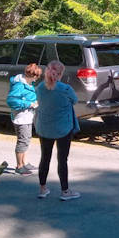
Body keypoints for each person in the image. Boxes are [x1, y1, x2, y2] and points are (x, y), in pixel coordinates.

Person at [35, 60, 80, 201]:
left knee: (45, 158)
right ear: (60, 74)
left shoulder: (40, 88)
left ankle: (42, 188)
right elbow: (75, 100)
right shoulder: (65, 89)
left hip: (44, 127)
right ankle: (65, 190)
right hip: (63, 128)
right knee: (62, 159)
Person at [6, 63, 42, 175]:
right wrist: (30, 104)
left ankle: (24, 163)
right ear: (32, 75)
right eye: (36, 76)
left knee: (26, 140)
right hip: (21, 118)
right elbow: (11, 101)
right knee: (23, 141)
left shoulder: (27, 83)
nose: (36, 79)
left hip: (27, 117)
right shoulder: (19, 85)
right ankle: (19, 166)